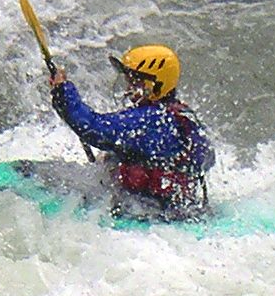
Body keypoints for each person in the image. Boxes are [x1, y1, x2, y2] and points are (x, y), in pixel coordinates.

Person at [47, 44, 214, 221]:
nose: (128, 89)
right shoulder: (179, 115)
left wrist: (63, 91)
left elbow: (92, 128)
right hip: (174, 208)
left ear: (156, 85)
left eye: (135, 83)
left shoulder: (151, 121)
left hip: (145, 211)